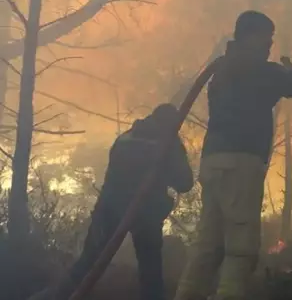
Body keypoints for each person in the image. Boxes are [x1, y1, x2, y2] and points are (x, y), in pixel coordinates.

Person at [174, 10, 292, 300]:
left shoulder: (224, 69)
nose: (269, 44)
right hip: (240, 166)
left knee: (208, 246)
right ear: (248, 35)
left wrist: (287, 74)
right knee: (241, 251)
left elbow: (276, 81)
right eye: (266, 37)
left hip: (214, 163)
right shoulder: (257, 69)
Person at [49, 104, 194, 300]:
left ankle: (59, 295)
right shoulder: (169, 143)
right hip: (145, 213)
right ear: (172, 124)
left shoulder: (125, 137)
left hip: (109, 208)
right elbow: (185, 183)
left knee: (88, 261)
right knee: (150, 270)